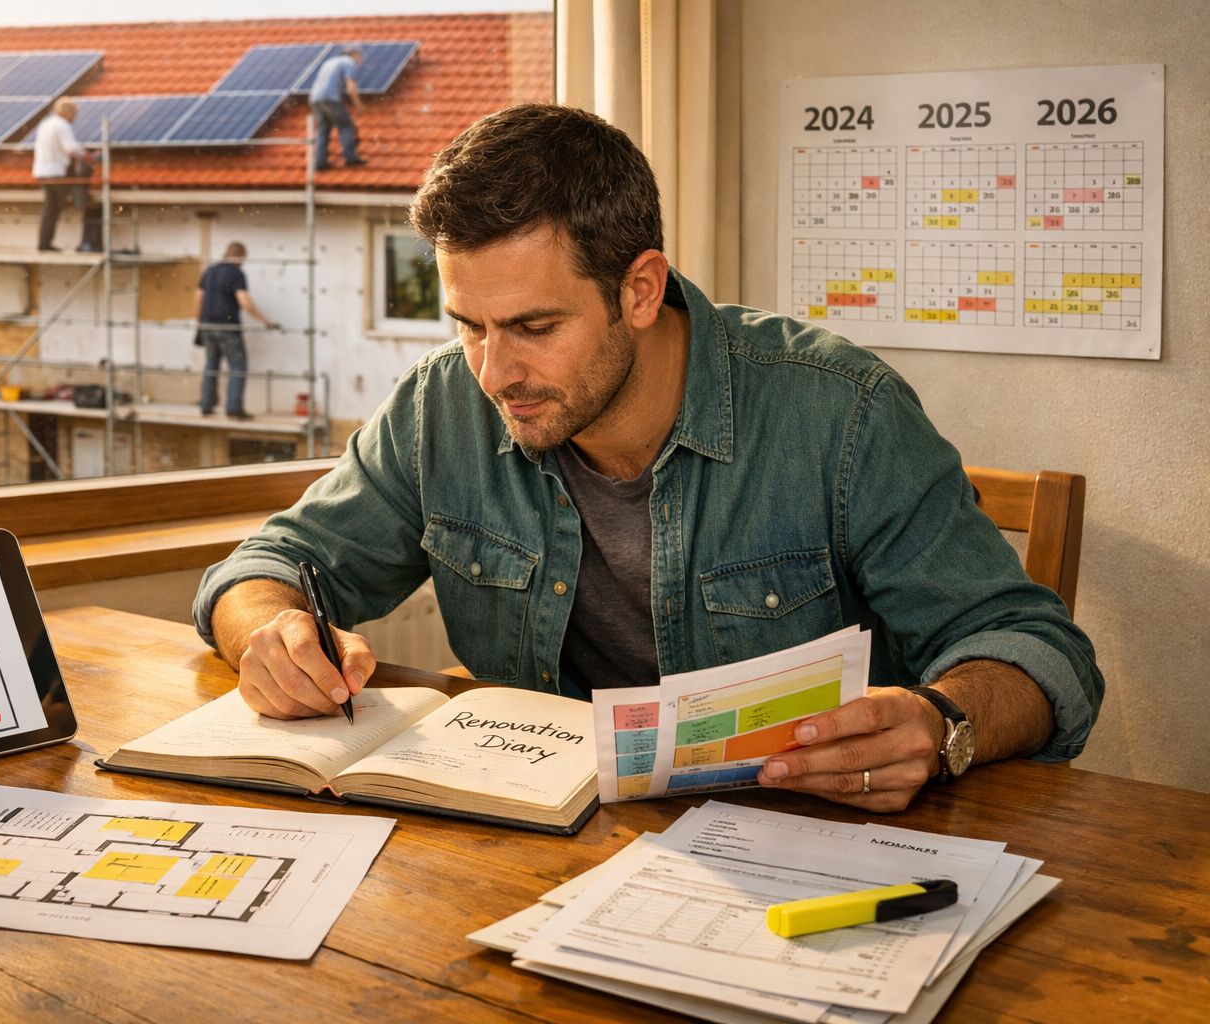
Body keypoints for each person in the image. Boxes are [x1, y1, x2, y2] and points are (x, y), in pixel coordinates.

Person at [193, 104, 1105, 813]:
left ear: (640, 289)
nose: (494, 372)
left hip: (810, 846)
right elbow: (267, 568)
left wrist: (942, 724)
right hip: (545, 844)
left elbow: (1037, 648)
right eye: (468, 326)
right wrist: (266, 634)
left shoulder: (840, 413)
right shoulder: (441, 406)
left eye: (534, 327)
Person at [197, 242, 279, 419]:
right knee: (238, 366)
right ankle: (234, 408)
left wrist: (199, 324)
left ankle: (206, 405)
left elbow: (198, 298)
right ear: (240, 256)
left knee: (211, 366)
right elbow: (244, 300)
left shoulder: (209, 271)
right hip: (228, 327)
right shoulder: (236, 273)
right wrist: (265, 321)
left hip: (207, 326)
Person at [32, 97, 93, 252]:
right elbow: (70, 148)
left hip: (42, 172)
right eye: (74, 114)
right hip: (55, 172)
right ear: (67, 112)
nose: (75, 118)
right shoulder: (62, 125)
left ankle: (44, 242)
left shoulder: (46, 123)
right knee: (55, 207)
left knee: (50, 207)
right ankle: (45, 244)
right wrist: (89, 156)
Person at [309, 45, 366, 171]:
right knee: (346, 126)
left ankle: (320, 162)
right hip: (331, 99)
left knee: (323, 129)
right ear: (355, 54)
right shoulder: (349, 63)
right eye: (360, 57)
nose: (360, 60)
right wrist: (359, 105)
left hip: (315, 99)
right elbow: (350, 87)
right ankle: (350, 158)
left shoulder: (329, 62)